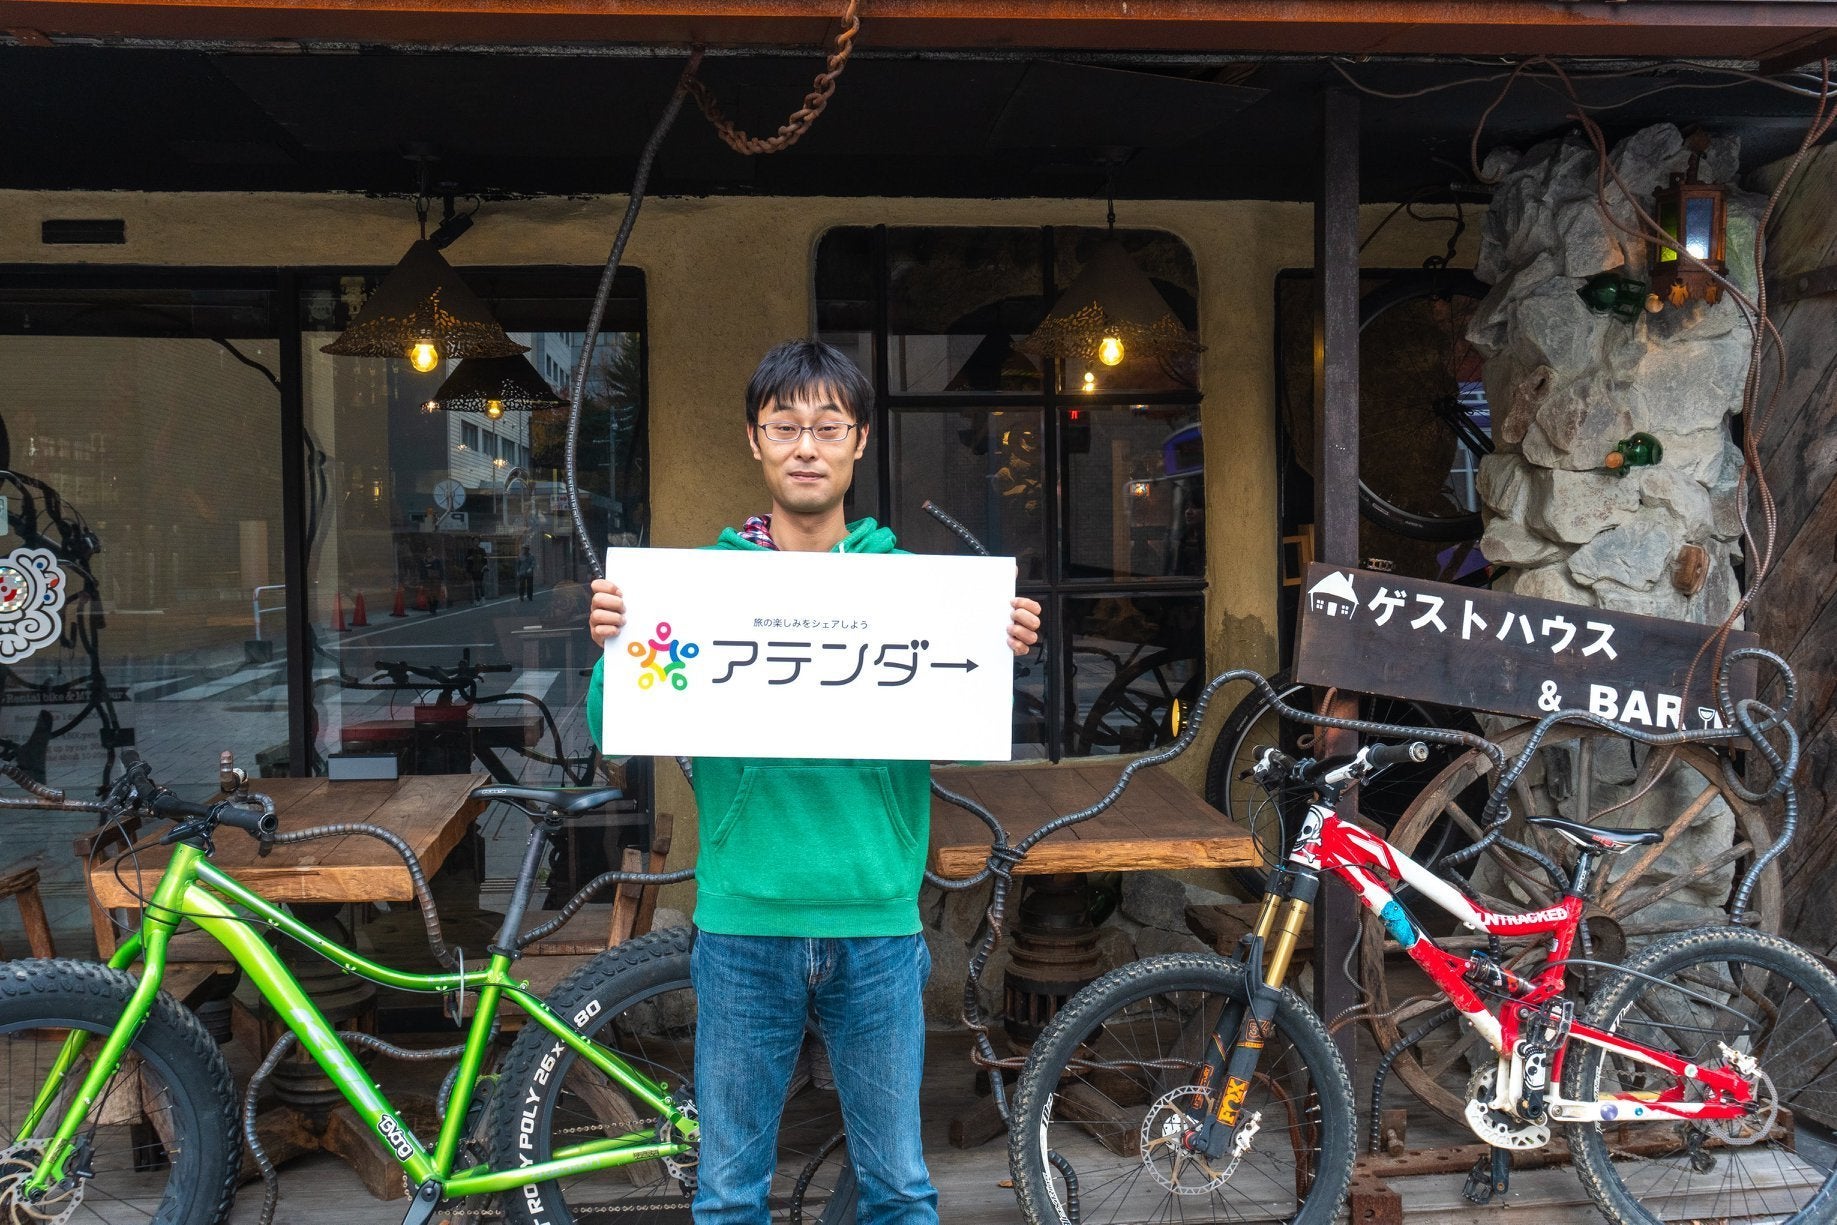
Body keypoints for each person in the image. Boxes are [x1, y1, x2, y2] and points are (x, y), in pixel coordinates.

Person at [585, 339, 1041, 1223]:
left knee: (898, 1187)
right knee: (727, 1192)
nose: (806, 445)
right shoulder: (698, 587)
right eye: (784, 425)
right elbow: (614, 730)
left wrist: (997, 652)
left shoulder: (914, 591)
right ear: (753, 439)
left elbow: (974, 744)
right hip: (742, 921)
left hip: (876, 920)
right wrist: (611, 645)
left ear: (859, 441)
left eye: (827, 427)